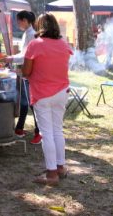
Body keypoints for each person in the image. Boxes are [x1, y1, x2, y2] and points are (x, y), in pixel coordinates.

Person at [22, 13, 73, 186]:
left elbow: (26, 72)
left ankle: (51, 174)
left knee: (47, 133)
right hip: (61, 91)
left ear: (39, 26)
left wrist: (22, 70)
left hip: (42, 93)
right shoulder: (63, 43)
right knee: (57, 130)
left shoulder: (35, 44)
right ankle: (60, 167)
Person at [4, 11, 41, 144]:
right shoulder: (28, 33)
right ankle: (19, 128)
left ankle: (38, 132)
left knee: (31, 104)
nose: (17, 23)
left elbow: (26, 56)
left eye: (19, 21)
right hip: (26, 72)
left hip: (30, 73)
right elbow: (24, 53)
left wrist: (10, 58)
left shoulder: (32, 34)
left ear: (25, 20)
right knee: (24, 102)